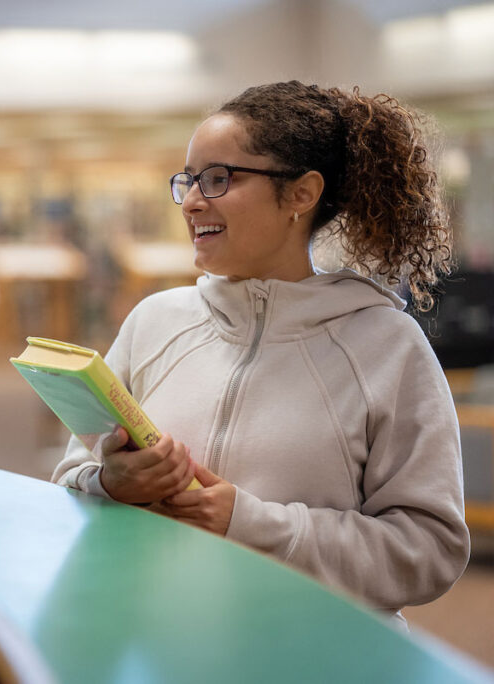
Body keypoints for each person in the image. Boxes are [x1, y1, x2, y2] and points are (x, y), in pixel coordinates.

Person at [52, 81, 469, 625]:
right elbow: (68, 479)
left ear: (301, 194)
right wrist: (110, 483)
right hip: (168, 647)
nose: (193, 201)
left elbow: (429, 551)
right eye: (189, 180)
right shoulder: (155, 322)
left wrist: (251, 525)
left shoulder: (387, 346)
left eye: (219, 179)